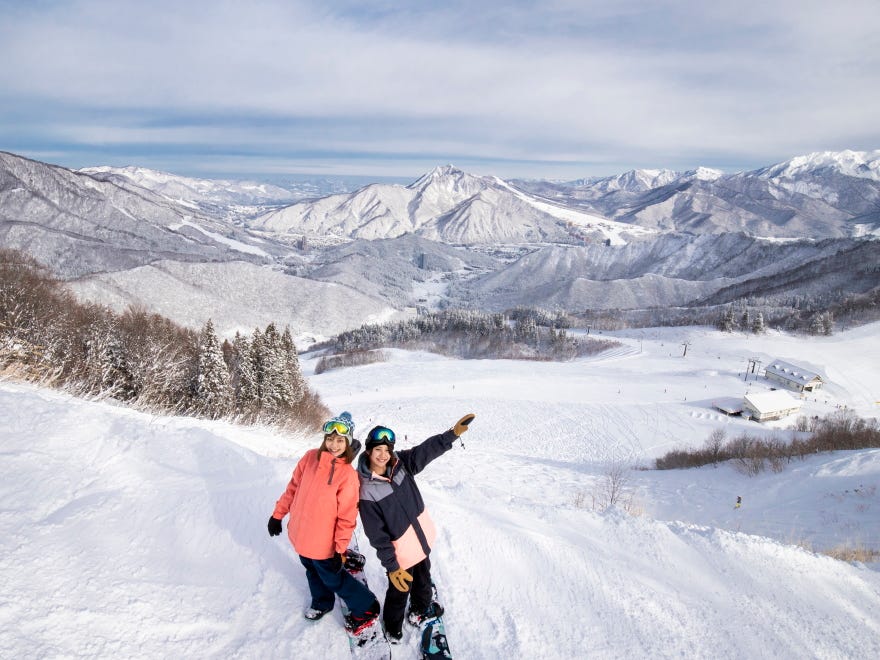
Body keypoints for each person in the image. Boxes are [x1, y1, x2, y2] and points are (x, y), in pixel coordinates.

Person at [356, 413, 475, 642]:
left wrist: (451, 435)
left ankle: (420, 610)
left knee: (423, 579)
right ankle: (392, 627)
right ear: (369, 451)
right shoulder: (366, 491)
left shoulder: (401, 464)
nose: (383, 455)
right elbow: (376, 535)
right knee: (399, 591)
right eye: (378, 449)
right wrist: (391, 566)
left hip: (419, 541)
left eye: (387, 449)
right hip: (400, 554)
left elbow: (425, 451)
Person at [267, 412, 380, 636]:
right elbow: (292, 488)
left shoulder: (347, 475)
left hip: (323, 546)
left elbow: (347, 518)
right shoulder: (309, 458)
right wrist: (278, 515)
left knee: (334, 578)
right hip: (300, 536)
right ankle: (322, 602)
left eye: (340, 440)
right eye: (330, 438)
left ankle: (367, 607)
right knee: (311, 571)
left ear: (347, 442)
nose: (334, 444)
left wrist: (339, 549)